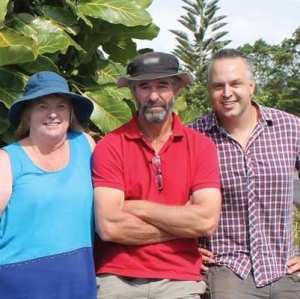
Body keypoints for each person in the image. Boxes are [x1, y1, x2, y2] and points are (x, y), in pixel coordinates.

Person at [92, 52, 221, 299]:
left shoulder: (201, 147)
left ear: (177, 90)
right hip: (117, 278)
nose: (153, 96)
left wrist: (135, 207)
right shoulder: (110, 146)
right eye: (144, 87)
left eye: (162, 86)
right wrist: (184, 225)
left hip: (180, 279)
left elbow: (205, 221)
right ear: (132, 92)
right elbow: (109, 227)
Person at [190, 48, 300, 299]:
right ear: (209, 91)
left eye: (235, 84)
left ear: (252, 86)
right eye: (218, 86)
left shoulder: (291, 128)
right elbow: (172, 198)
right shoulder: (194, 136)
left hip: (284, 266)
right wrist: (185, 249)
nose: (227, 93)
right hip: (226, 268)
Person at [0, 71, 97, 298]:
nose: (52, 114)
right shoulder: (7, 160)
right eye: (42, 106)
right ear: (28, 114)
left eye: (61, 106)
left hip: (78, 278)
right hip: (19, 282)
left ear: (70, 113)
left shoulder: (86, 145)